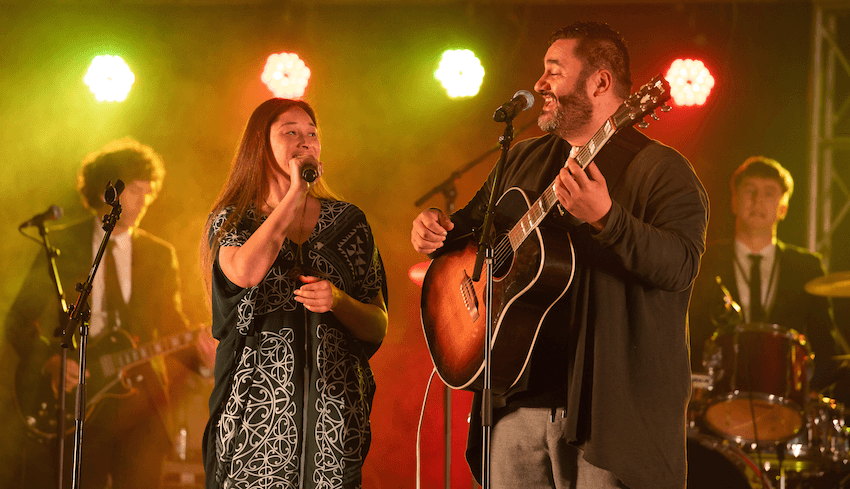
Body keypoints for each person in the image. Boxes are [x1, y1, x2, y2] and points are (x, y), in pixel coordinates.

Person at [411, 21, 708, 489]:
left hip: (606, 415)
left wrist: (608, 217)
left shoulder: (662, 170)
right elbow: (467, 232)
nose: (539, 84)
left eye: (553, 71)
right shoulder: (525, 157)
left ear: (600, 82)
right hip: (512, 405)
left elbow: (680, 266)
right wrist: (432, 228)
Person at [4, 137, 217, 489]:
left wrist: (204, 360)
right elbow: (18, 320)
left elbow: (171, 325)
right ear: (108, 190)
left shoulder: (158, 254)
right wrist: (51, 361)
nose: (144, 200)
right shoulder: (62, 244)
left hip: (140, 402)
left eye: (149, 192)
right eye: (135, 190)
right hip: (76, 400)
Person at [201, 98, 388, 489]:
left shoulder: (348, 222)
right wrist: (294, 194)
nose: (305, 141)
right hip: (254, 425)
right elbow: (246, 273)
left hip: (334, 426)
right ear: (260, 143)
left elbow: (377, 324)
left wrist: (338, 301)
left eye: (312, 134)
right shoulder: (234, 219)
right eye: (291, 132)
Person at [688, 156, 847, 410]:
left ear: (783, 208)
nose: (758, 200)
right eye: (750, 190)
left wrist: (806, 393)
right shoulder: (703, 260)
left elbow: (825, 345)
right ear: (734, 201)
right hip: (713, 400)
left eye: (769, 193)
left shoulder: (806, 267)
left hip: (784, 404)